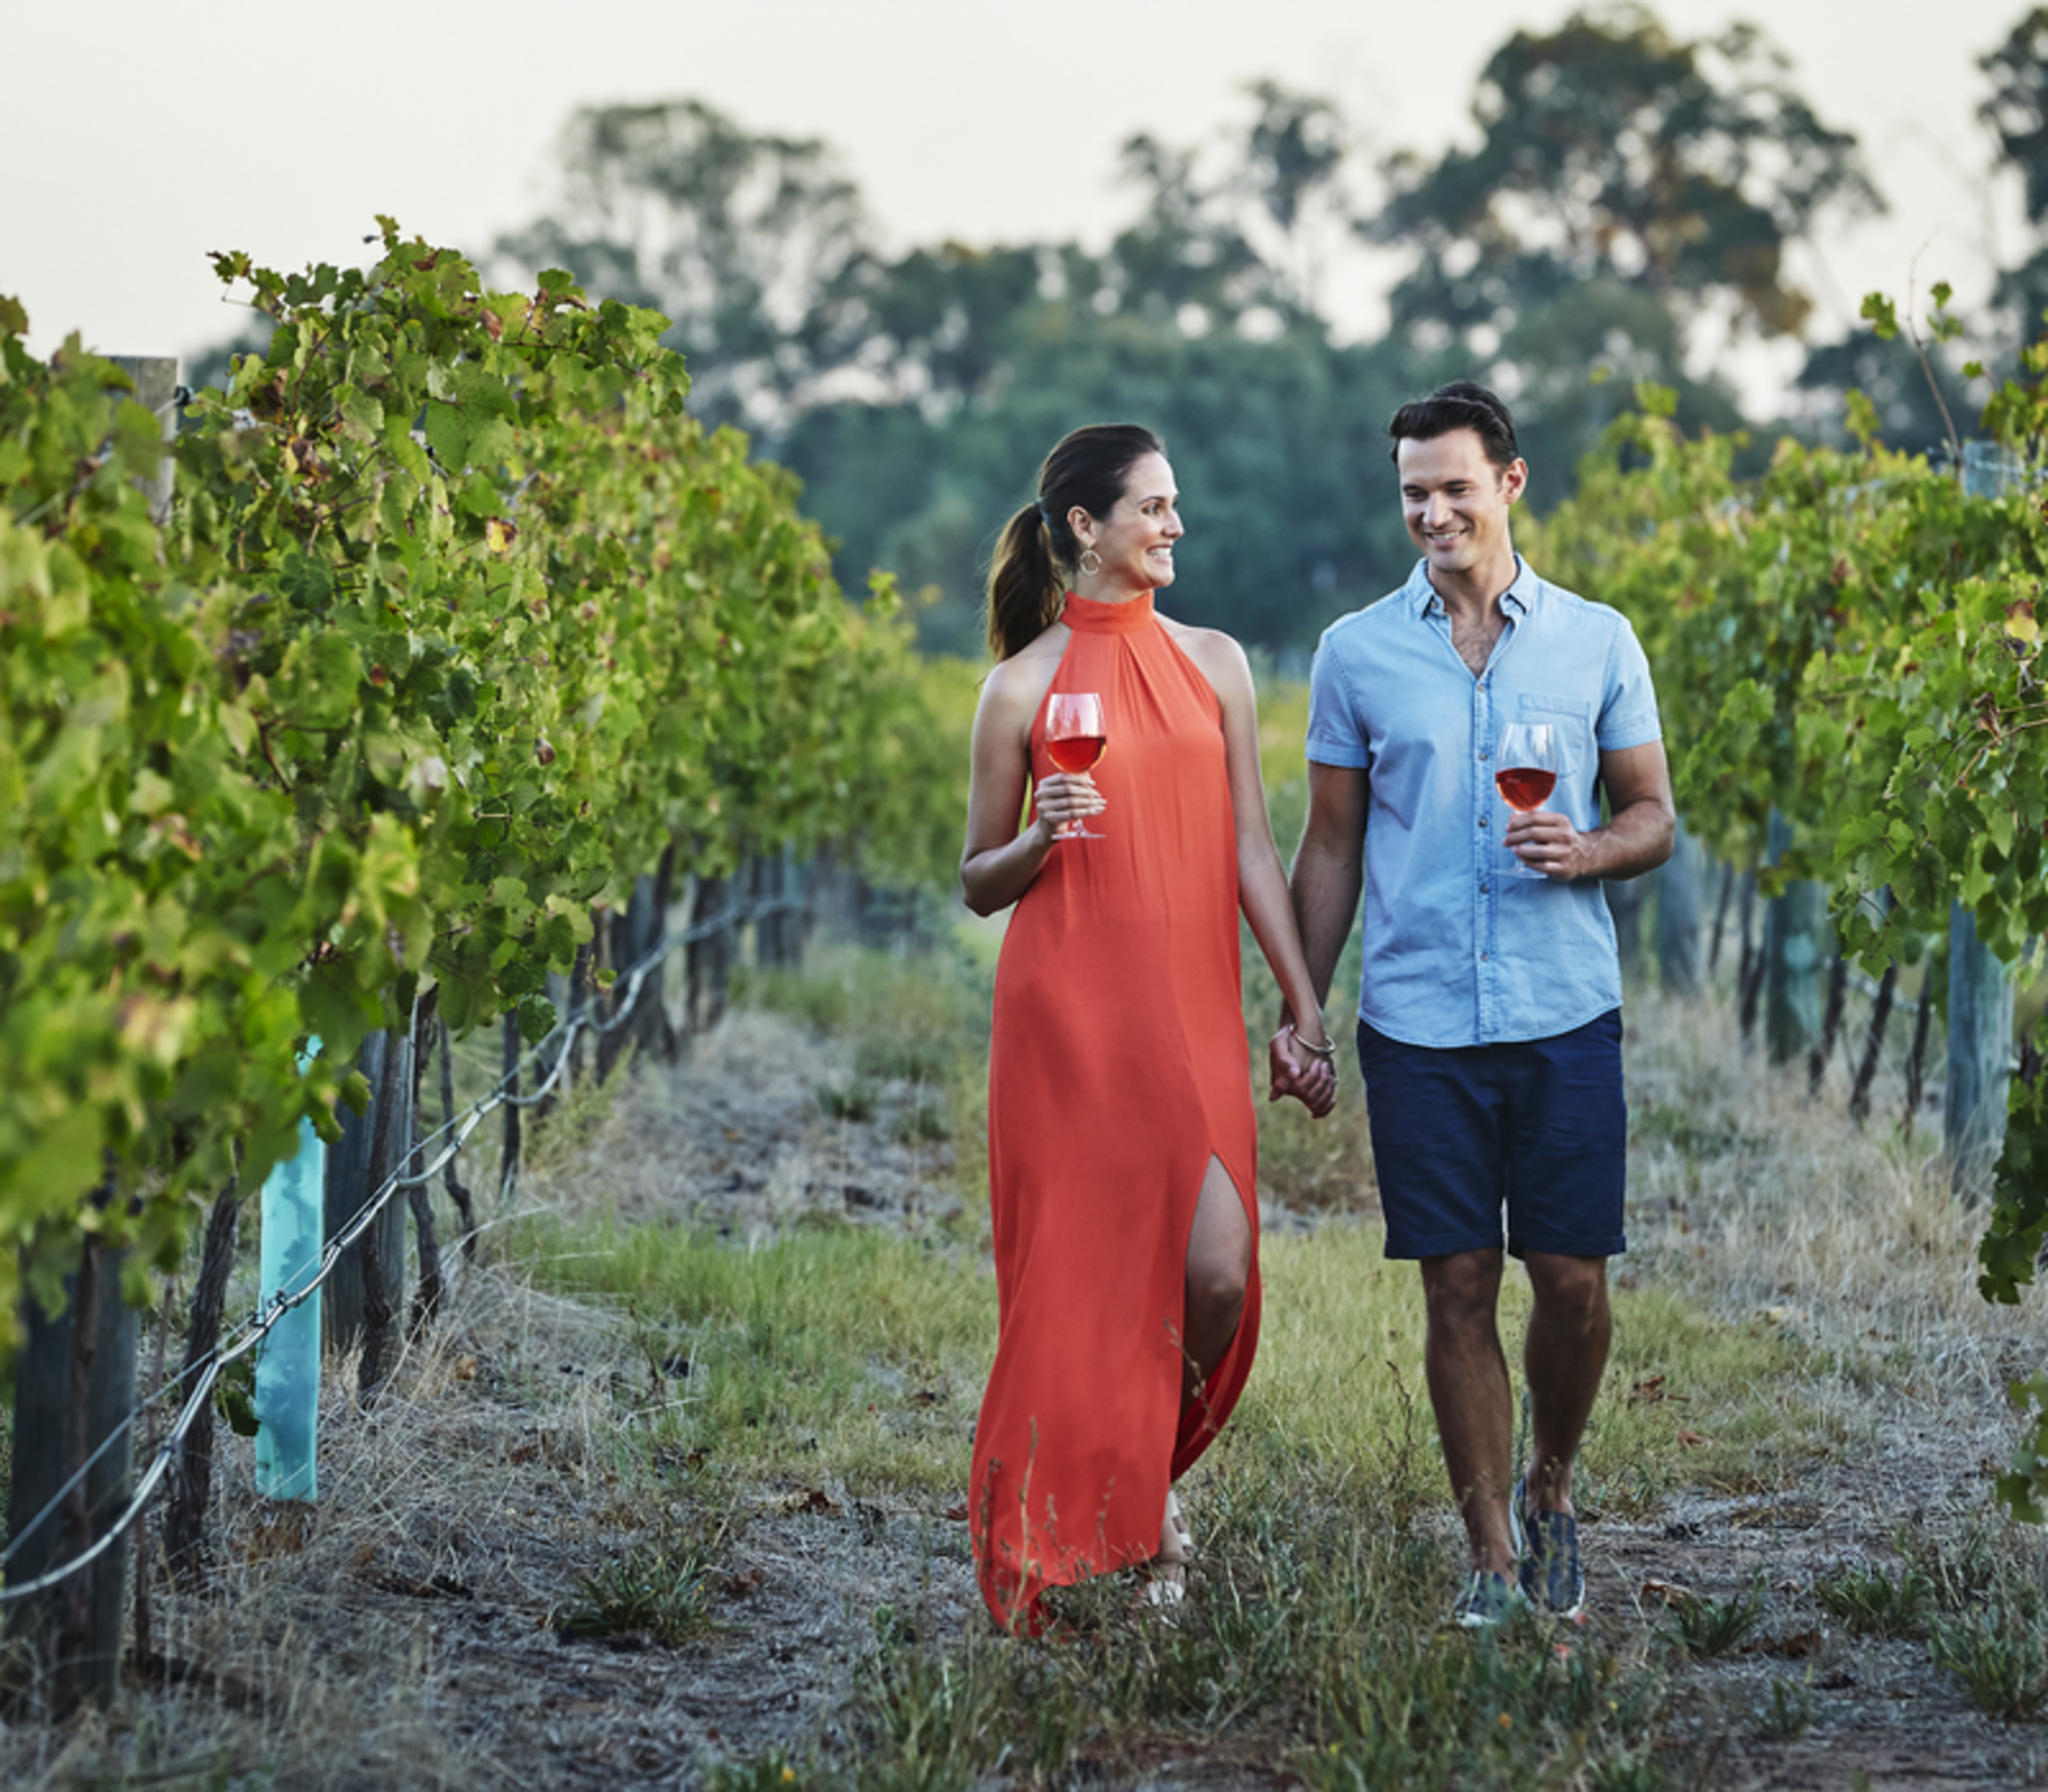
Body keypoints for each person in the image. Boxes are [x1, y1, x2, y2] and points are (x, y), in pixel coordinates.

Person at [1276, 381, 1674, 1628]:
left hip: (1563, 1012)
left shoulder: (1598, 640)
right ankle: (1492, 1558)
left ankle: (1553, 1478)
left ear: (1509, 482)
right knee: (1454, 1286)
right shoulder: (1355, 653)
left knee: (1571, 1284)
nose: (1432, 511)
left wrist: (1592, 853)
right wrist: (1304, 1005)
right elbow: (1330, 846)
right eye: (1413, 492)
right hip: (1419, 1023)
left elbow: (1654, 818)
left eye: (1454, 486)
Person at [962, 423, 1337, 1631]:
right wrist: (1040, 835)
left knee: (1216, 1274)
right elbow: (978, 877)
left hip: (1189, 1009)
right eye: (1154, 508)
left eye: (1176, 508)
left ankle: (1135, 1481)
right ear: (1085, 526)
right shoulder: (1019, 686)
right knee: (1077, 1286)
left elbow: (1250, 851)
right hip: (1066, 1018)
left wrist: (1303, 1001)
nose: (1175, 527)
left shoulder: (1217, 662)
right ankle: (1116, 1523)